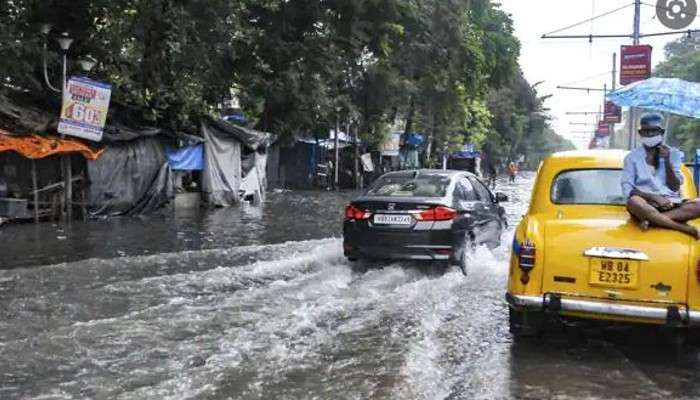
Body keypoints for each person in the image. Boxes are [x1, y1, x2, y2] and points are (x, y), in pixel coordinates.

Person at [622, 113, 700, 239]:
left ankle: (652, 221)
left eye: (654, 131)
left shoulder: (673, 154)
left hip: (671, 205)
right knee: (633, 201)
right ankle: (682, 228)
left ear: (661, 132)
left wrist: (667, 161)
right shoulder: (632, 158)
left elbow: (674, 187)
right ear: (640, 133)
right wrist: (653, 197)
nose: (650, 134)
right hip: (644, 205)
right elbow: (628, 189)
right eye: (646, 131)